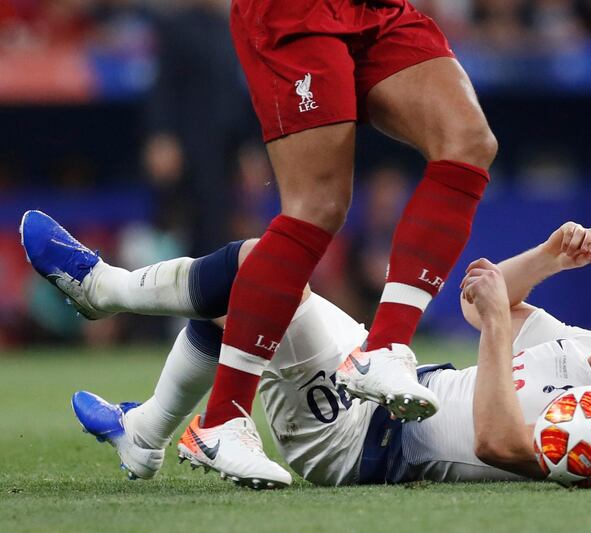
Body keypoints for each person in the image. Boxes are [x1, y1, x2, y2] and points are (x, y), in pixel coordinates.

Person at [20, 210, 591, 488]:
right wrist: (546, 257)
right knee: (261, 283)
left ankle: (104, 288)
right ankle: (145, 432)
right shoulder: (580, 343)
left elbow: (496, 440)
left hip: (361, 443)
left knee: (261, 267)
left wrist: (493, 325)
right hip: (381, 384)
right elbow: (481, 297)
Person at [184, 0, 498, 486]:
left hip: (376, 8)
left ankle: (385, 346)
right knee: (318, 206)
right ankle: (221, 419)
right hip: (299, 9)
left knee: (468, 141)